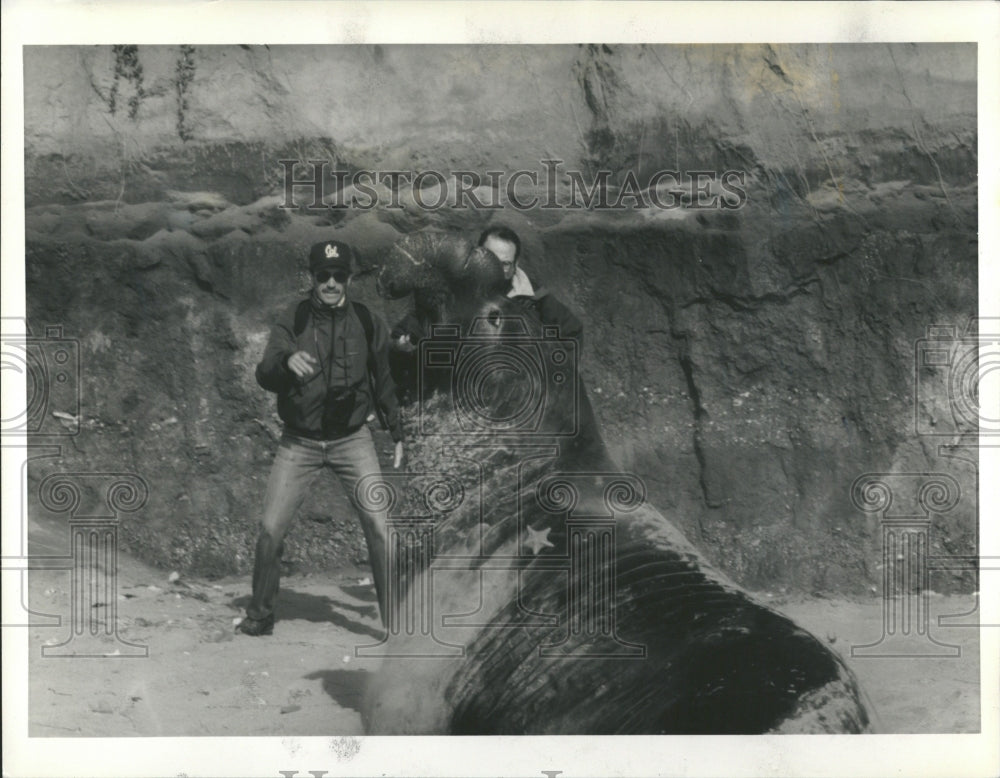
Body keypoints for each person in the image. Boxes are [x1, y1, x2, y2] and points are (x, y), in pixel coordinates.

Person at [237, 239, 404, 636]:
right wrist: (285, 363)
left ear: (348, 278)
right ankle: (259, 615)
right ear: (311, 277)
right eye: (323, 275)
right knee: (270, 529)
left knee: (381, 529)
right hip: (300, 442)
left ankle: (398, 625)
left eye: (338, 275)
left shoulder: (367, 320)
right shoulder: (293, 318)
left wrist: (397, 431)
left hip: (353, 439)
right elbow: (265, 373)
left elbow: (384, 381)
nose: (331, 283)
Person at [390, 225, 583, 352]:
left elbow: (572, 335)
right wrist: (407, 347)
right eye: (489, 258)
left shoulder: (535, 299)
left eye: (505, 263)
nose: (497, 269)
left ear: (516, 264)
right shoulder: (450, 295)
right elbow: (404, 336)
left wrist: (549, 375)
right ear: (476, 255)